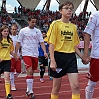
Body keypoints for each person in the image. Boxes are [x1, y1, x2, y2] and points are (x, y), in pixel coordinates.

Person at [45, 1, 83, 99]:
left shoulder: (74, 27)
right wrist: (52, 61)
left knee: (76, 86)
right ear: (60, 11)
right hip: (58, 57)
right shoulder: (55, 24)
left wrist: (82, 56)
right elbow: (51, 43)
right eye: (66, 8)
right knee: (56, 87)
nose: (69, 10)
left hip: (71, 58)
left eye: (71, 8)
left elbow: (74, 45)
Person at [15, 16, 48, 99]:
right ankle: (30, 91)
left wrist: (45, 52)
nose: (34, 24)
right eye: (32, 22)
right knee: (29, 70)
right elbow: (18, 43)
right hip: (26, 53)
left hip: (35, 54)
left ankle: (28, 89)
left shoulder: (38, 31)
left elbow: (41, 42)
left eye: (35, 22)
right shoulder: (23, 31)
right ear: (28, 21)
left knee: (32, 72)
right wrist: (16, 53)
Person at [82, 11, 99, 99]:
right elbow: (87, 34)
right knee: (93, 82)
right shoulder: (95, 15)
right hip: (97, 55)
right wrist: (85, 53)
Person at [0, 25, 14, 99]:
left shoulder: (10, 41)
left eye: (7, 31)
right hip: (0, 61)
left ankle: (8, 94)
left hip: (7, 61)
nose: (6, 32)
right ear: (1, 32)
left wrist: (15, 55)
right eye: (4, 31)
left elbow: (11, 50)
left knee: (7, 77)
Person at [10, 24, 22, 91]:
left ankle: (12, 80)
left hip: (17, 56)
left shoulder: (18, 37)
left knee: (18, 70)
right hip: (11, 56)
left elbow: (21, 46)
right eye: (13, 29)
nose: (14, 30)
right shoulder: (8, 37)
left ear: (17, 30)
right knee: (11, 71)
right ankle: (12, 84)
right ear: (11, 30)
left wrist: (20, 54)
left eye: (15, 29)